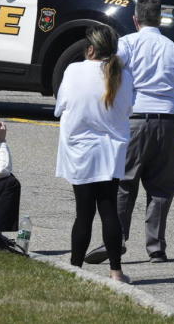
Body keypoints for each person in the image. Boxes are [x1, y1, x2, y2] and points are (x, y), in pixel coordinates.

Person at [85, 0, 174, 265]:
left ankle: (117, 239)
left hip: (134, 120)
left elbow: (109, 75)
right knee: (161, 188)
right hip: (168, 123)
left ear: (136, 19)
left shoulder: (127, 44)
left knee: (124, 183)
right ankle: (156, 248)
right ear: (160, 19)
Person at [55, 26, 135, 283]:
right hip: (110, 150)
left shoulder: (73, 70)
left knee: (84, 212)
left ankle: (76, 267)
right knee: (108, 207)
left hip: (80, 149)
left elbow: (61, 106)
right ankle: (116, 271)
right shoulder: (123, 75)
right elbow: (128, 109)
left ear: (90, 49)